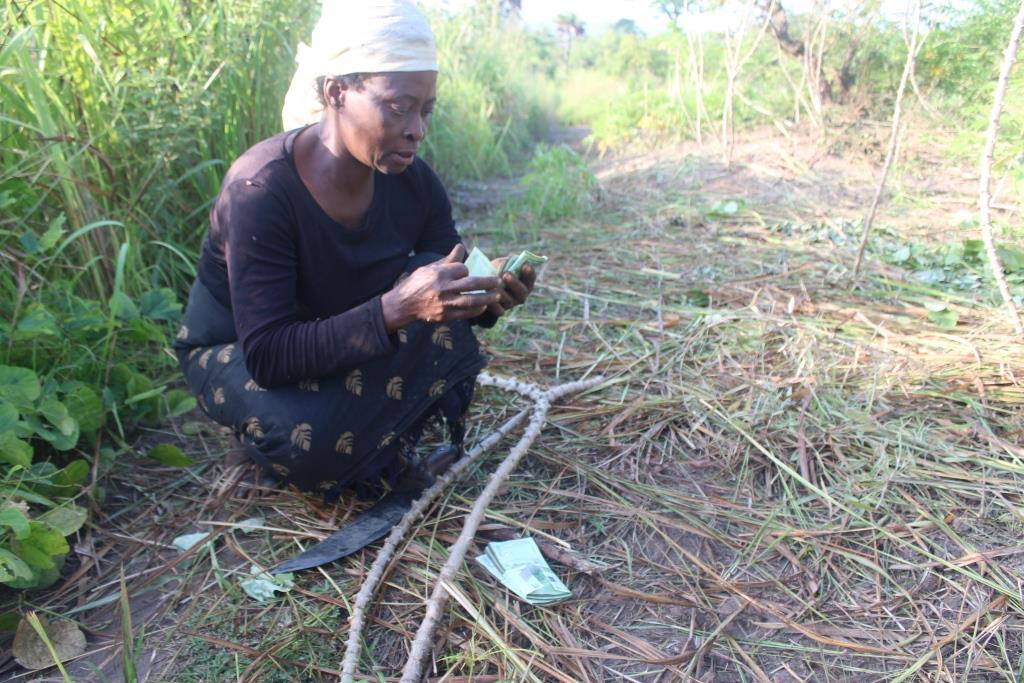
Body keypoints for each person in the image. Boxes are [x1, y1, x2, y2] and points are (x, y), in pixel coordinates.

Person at [173, 0, 535, 498]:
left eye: (426, 110)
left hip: (338, 323)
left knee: (445, 319)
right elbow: (269, 354)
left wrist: (487, 295)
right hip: (238, 347)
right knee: (306, 437)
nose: (417, 129)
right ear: (335, 92)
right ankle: (282, 440)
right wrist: (394, 309)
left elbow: (440, 280)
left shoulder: (414, 181)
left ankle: (372, 436)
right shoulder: (260, 192)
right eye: (399, 107)